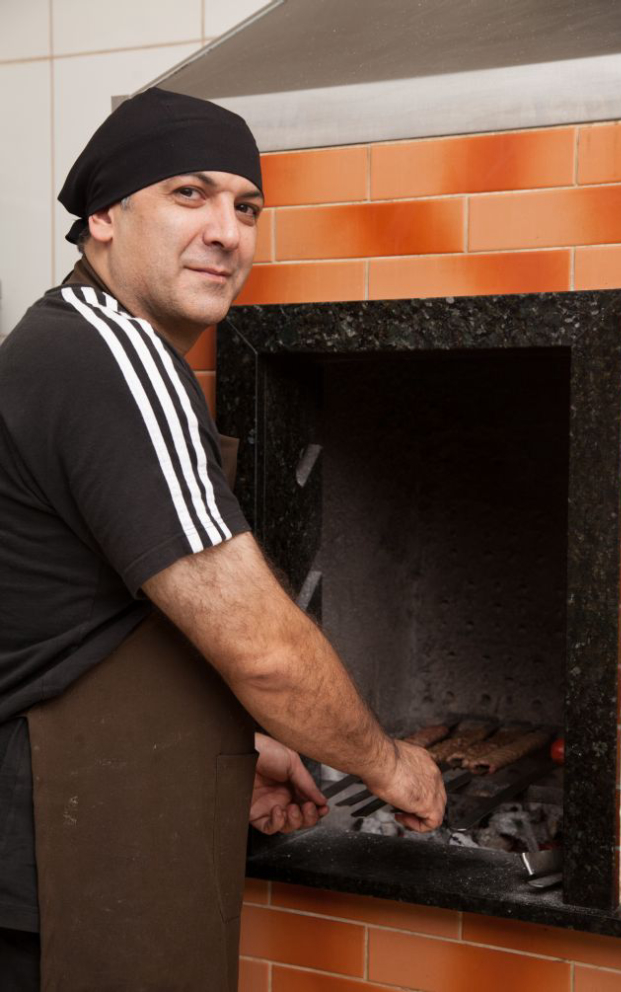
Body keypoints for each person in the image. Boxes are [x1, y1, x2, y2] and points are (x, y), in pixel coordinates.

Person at [0, 87, 446, 991]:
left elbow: (85, 618)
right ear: (104, 217)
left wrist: (237, 744)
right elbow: (263, 650)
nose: (227, 232)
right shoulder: (117, 358)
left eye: (246, 208)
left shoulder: (62, 344)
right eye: (188, 194)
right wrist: (387, 762)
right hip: (67, 859)